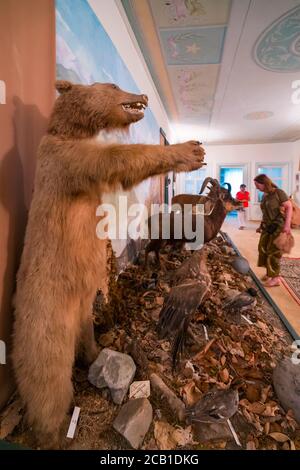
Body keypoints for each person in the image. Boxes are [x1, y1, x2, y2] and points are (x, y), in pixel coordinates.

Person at [254, 174, 293, 287]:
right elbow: (266, 212)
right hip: (267, 226)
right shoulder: (265, 195)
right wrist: (261, 225)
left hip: (278, 226)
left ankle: (275, 278)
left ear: (264, 183)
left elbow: (289, 207)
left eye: (257, 185)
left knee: (273, 251)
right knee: (263, 248)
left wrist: (287, 225)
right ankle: (269, 272)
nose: (256, 187)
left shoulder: (278, 193)